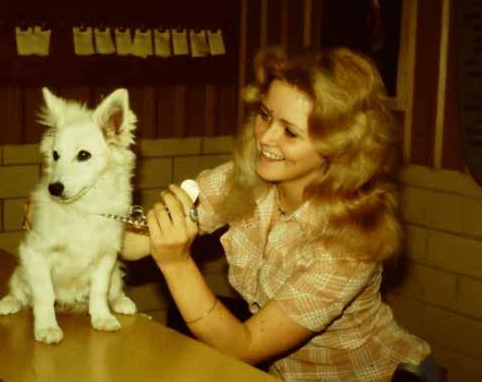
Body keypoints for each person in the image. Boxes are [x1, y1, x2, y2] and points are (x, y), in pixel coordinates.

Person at [120, 46, 440, 382]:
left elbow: (243, 347)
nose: (266, 137)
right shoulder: (247, 177)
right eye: (265, 115)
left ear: (338, 147)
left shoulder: (353, 241)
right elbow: (137, 243)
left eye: (290, 132)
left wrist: (176, 263)